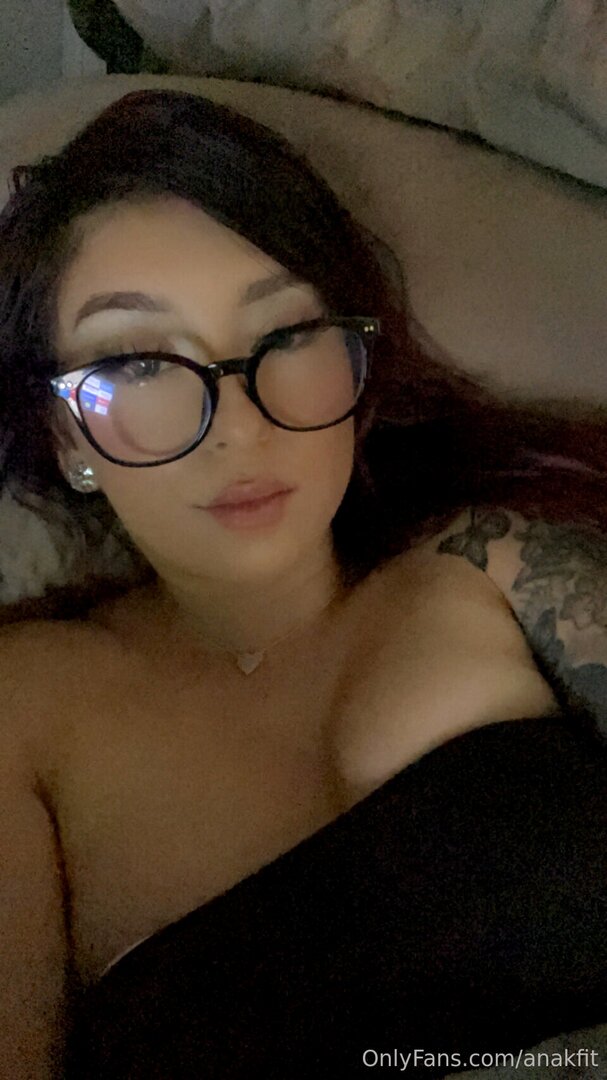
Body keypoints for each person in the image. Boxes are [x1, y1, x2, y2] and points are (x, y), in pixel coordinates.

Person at [0, 89, 605, 1079]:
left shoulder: (494, 564)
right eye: (138, 363)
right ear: (67, 436)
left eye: (284, 337)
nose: (239, 427)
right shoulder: (25, 707)